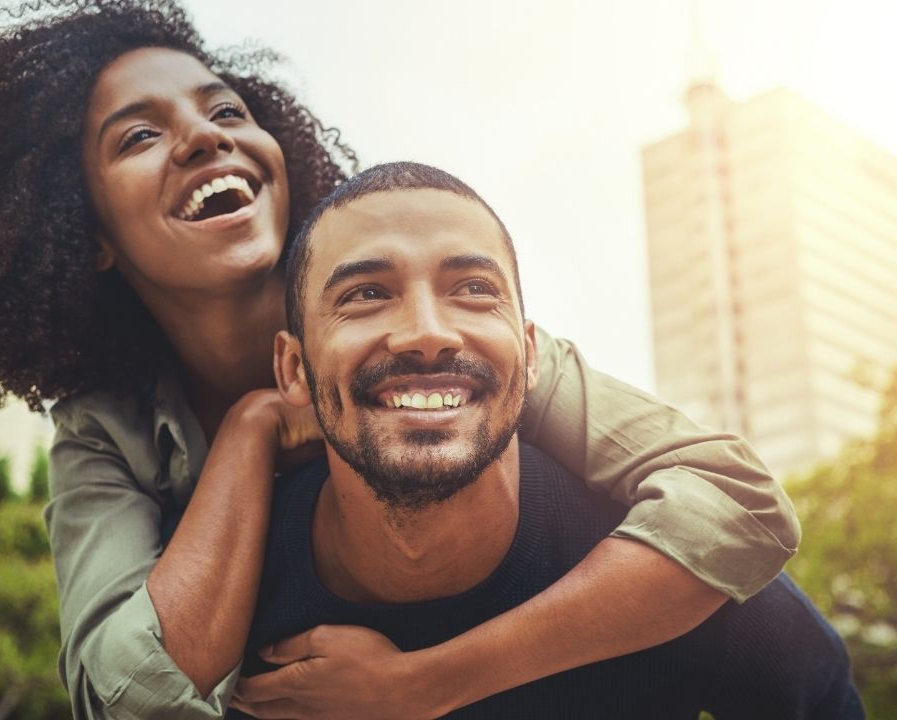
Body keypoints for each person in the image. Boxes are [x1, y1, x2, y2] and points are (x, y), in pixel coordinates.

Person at [0, 1, 800, 717]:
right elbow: (128, 691)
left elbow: (736, 506)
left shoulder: (435, 333)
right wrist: (253, 427)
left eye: (225, 110)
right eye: (140, 135)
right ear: (86, 233)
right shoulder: (104, 433)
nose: (204, 136)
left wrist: (425, 685)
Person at [233, 161, 863, 719]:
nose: (426, 333)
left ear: (532, 355)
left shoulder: (672, 569)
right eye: (367, 294)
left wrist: (424, 685)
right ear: (293, 369)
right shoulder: (242, 593)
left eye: (474, 289)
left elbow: (820, 693)